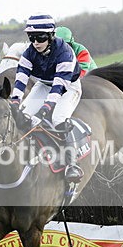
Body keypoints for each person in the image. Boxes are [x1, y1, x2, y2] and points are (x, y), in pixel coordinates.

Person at [10, 14, 83, 182]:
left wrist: (46, 108)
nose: (36, 42)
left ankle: (72, 163)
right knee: (23, 115)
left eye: (40, 37)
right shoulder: (29, 52)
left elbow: (59, 86)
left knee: (58, 118)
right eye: (31, 37)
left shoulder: (65, 52)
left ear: (51, 36)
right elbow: (21, 78)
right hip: (44, 84)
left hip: (68, 86)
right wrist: (15, 101)